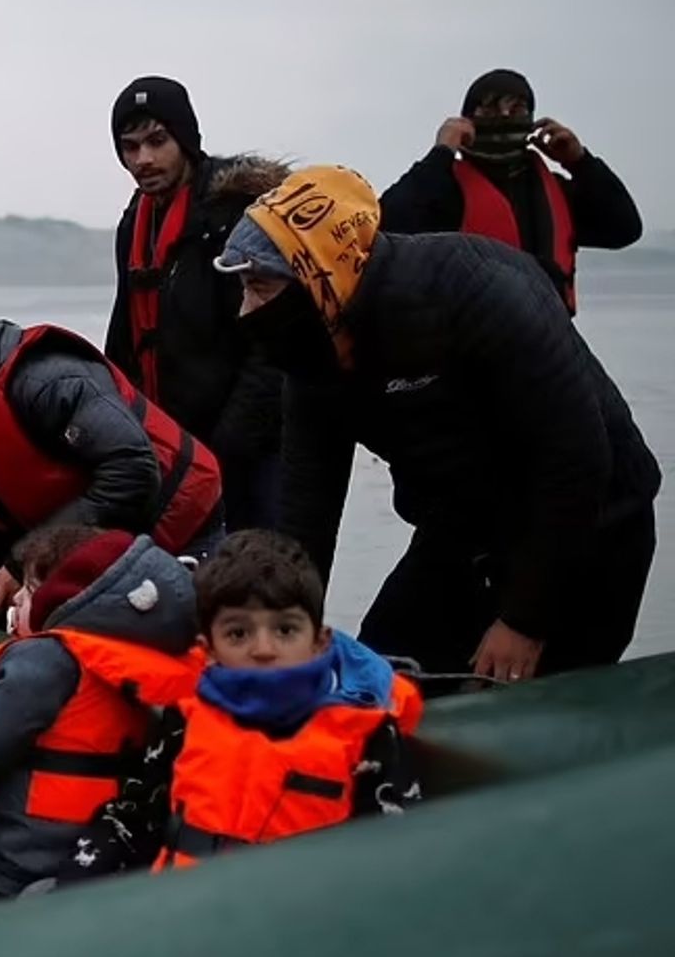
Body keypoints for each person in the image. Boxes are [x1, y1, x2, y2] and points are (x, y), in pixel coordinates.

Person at [221, 165, 661, 682]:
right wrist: (277, 634)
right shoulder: (310, 358)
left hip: (594, 526)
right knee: (382, 674)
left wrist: (524, 620)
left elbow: (577, 460)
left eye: (259, 287)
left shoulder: (479, 294)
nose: (245, 309)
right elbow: (306, 511)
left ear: (319, 275)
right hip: (464, 526)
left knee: (528, 703)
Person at [0, 310, 224, 629]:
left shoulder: (49, 382)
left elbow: (132, 469)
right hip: (84, 536)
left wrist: (29, 557)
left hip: (179, 516)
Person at [0, 529, 202, 903]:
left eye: (31, 592)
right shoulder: (136, 656)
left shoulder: (46, 658)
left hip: (32, 844)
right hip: (104, 842)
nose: (17, 598)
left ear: (70, 604)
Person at [148, 531, 423, 871]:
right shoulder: (184, 716)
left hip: (299, 912)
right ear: (208, 650)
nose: (264, 649)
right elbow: (146, 819)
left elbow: (392, 854)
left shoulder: (369, 734)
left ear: (320, 642)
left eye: (285, 630)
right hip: (184, 905)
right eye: (238, 633)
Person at [104, 76, 286, 529]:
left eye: (157, 141)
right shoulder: (135, 224)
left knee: (264, 582)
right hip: (172, 446)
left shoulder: (236, 213)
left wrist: (228, 449)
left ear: (185, 139)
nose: (143, 159)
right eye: (130, 147)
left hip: (250, 448)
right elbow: (125, 333)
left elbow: (271, 345)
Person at [379, 69, 641, 314]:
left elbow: (624, 228)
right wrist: (440, 154)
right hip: (469, 347)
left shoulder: (560, 193)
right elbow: (385, 226)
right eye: (491, 107)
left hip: (550, 348)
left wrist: (580, 161)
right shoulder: (443, 191)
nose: (505, 117)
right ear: (467, 121)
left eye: (516, 108)